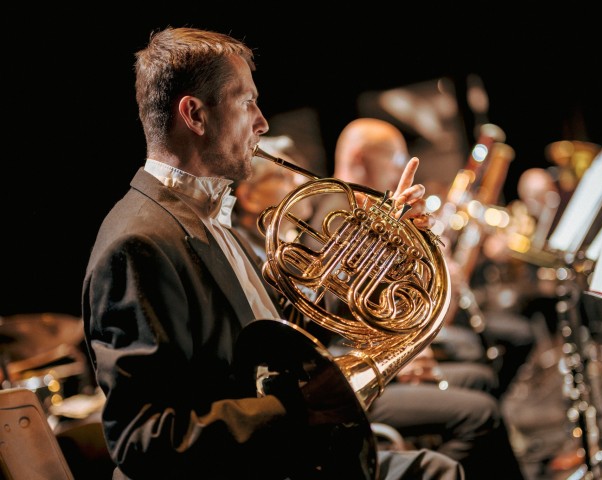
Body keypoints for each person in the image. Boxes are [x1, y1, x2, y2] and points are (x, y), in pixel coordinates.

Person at [81, 26, 464, 480]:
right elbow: (142, 439)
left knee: (436, 469)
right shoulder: (138, 243)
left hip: (275, 453)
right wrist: (294, 410)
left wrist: (382, 245)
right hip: (249, 465)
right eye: (247, 102)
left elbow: (274, 332)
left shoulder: (203, 213)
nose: (262, 122)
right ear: (195, 114)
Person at [313, 117, 526, 479]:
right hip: (350, 373)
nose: (401, 171)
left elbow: (382, 293)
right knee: (481, 412)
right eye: (397, 162)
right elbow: (333, 312)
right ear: (362, 159)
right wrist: (397, 355)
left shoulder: (363, 207)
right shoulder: (333, 212)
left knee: (479, 379)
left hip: (376, 355)